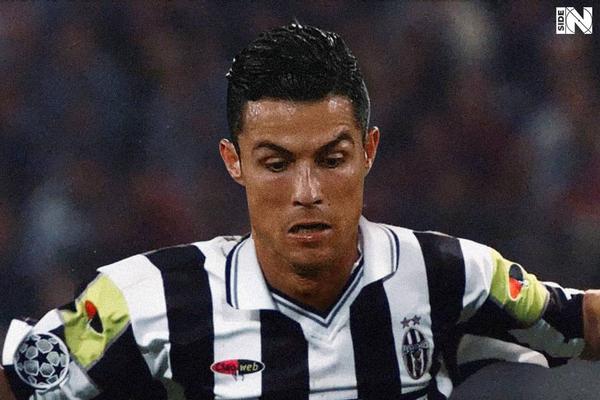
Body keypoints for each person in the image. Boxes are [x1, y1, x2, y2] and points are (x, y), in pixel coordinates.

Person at [1, 22, 600, 400]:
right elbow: (21, 379)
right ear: (234, 162)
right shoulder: (144, 299)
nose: (307, 190)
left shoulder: (450, 275)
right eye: (276, 163)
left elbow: (578, 321)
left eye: (332, 159)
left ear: (368, 151)